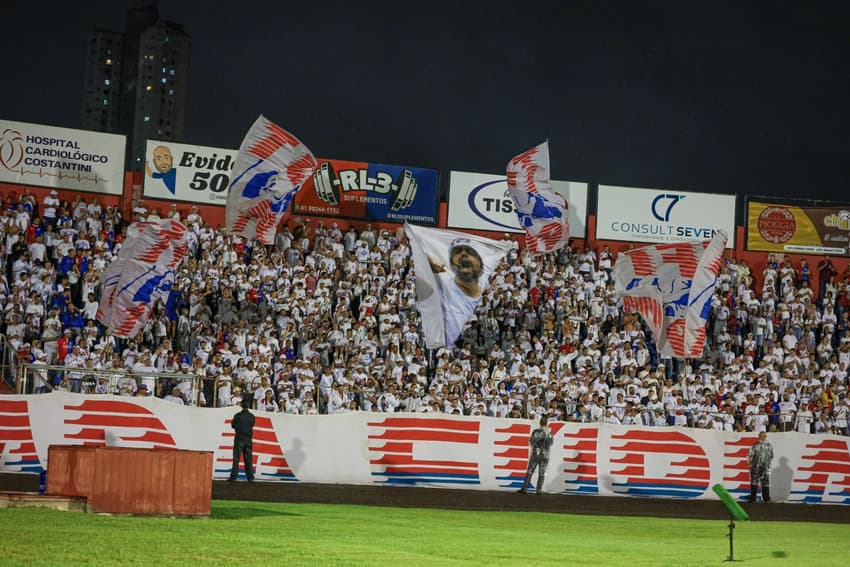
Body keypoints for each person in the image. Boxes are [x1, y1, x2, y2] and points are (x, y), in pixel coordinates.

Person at [519, 416, 553, 495]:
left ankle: (525, 488)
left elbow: (531, 441)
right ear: (547, 423)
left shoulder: (536, 431)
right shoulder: (550, 432)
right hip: (545, 455)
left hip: (536, 454)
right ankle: (539, 490)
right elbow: (551, 443)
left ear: (540, 423)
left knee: (530, 471)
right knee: (542, 472)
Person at [229, 399, 256, 482]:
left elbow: (233, 425)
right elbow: (252, 425)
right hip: (248, 439)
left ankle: (234, 476)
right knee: (248, 459)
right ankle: (250, 477)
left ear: (241, 405)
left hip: (239, 438)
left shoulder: (238, 415)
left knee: (236, 458)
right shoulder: (252, 416)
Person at [747, 431, 774, 503]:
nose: (764, 437)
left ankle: (766, 499)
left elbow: (771, 456)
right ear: (759, 436)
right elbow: (750, 455)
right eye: (762, 436)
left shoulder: (768, 445)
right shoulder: (756, 445)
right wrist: (749, 464)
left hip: (761, 467)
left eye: (765, 436)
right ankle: (755, 498)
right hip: (758, 467)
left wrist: (750, 464)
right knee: (755, 482)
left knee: (764, 483)